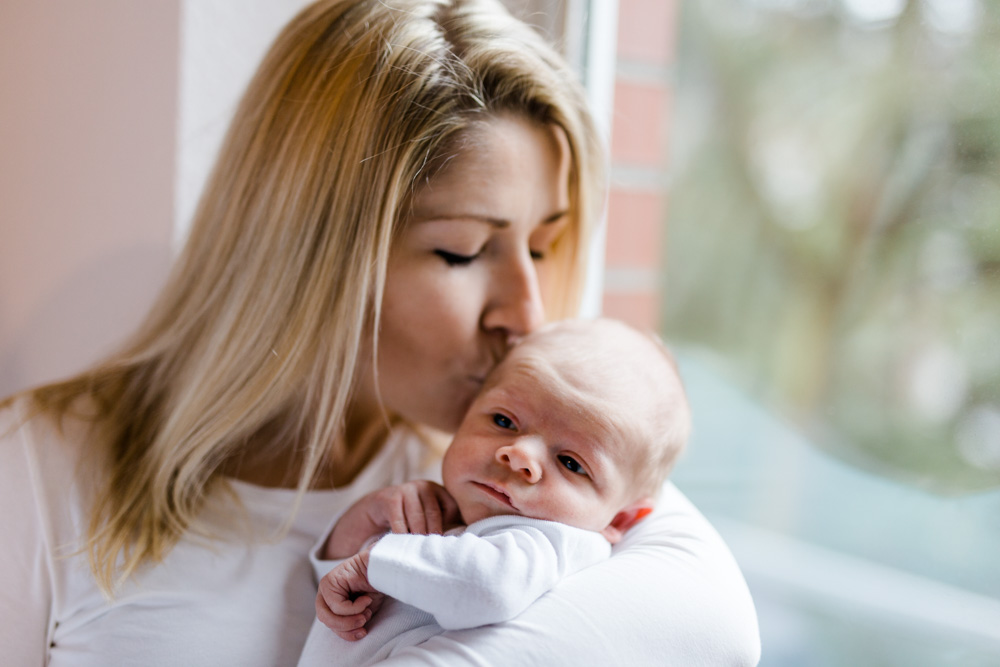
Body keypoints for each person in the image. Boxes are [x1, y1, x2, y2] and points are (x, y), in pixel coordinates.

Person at [0, 1, 760, 665]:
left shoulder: (527, 477)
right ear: (310, 248)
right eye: (462, 251)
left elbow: (723, 629)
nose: (527, 316)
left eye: (541, 246)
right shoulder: (37, 469)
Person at [300, 317, 692, 666]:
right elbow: (333, 591)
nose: (519, 454)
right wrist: (368, 518)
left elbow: (484, 588)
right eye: (504, 421)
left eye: (571, 463)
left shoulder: (550, 540)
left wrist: (371, 564)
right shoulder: (442, 511)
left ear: (619, 518)